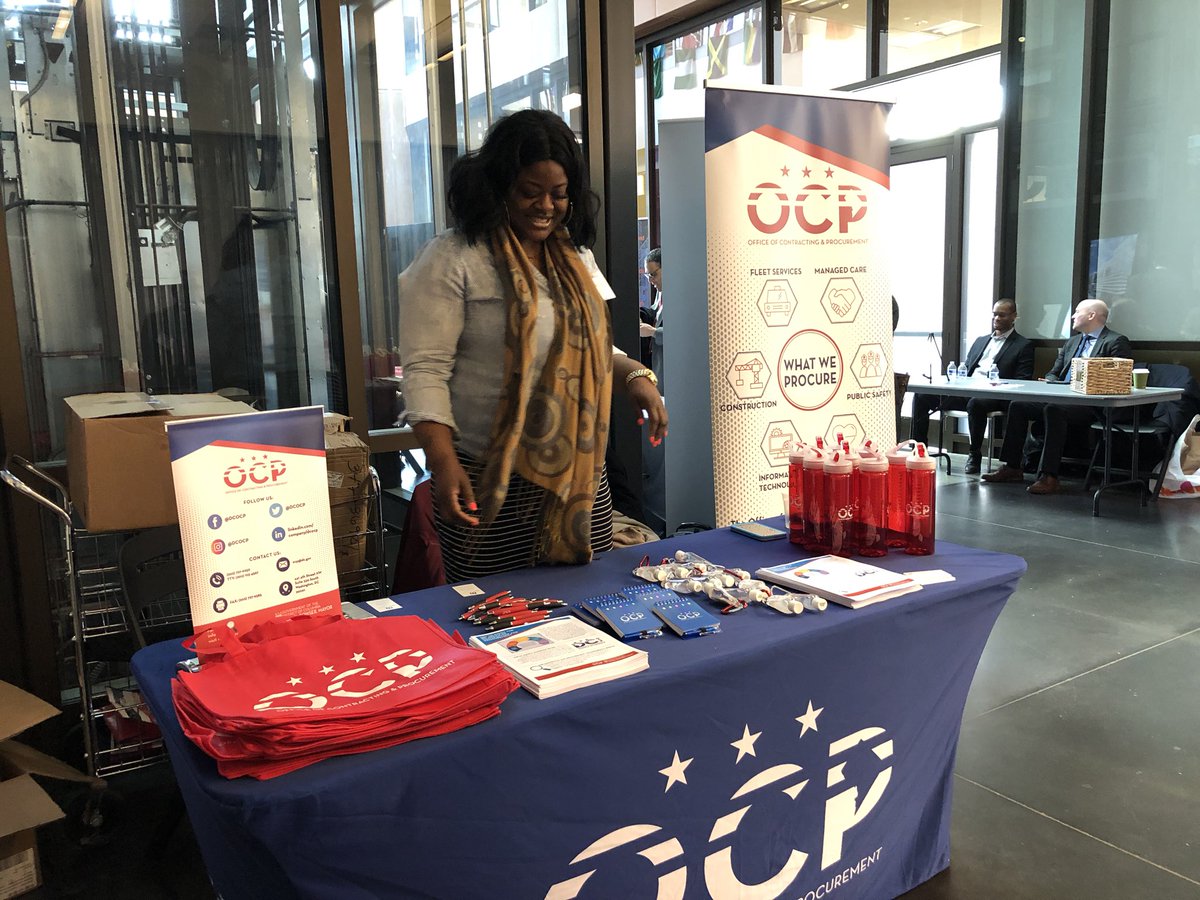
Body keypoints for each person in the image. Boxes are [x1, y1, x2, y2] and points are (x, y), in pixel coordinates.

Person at [397, 110, 668, 581]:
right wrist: (442, 463)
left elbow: (595, 349)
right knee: (495, 612)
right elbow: (425, 372)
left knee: (586, 601)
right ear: (498, 186)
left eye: (559, 194)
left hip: (578, 481)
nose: (546, 206)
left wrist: (637, 378)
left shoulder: (575, 257)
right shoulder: (453, 258)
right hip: (485, 479)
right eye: (530, 191)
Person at [982, 298, 1132, 494]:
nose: (1073, 316)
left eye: (1077, 312)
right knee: (1018, 405)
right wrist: (1052, 381)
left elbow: (1118, 377)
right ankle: (1012, 467)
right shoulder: (1072, 342)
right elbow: (1054, 372)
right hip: (1061, 397)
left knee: (1053, 409)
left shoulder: (1115, 341)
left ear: (1091, 315)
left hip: (1090, 404)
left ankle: (1049, 476)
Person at [910, 299, 1035, 474]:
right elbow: (967, 369)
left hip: (994, 396)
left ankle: (974, 455)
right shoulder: (981, 341)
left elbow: (1023, 380)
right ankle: (919, 449)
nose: (997, 318)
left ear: (1014, 316)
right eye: (994, 314)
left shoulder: (1023, 345)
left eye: (1002, 315)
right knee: (922, 396)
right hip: (967, 390)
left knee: (976, 403)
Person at [639, 247, 664, 383]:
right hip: (657, 364)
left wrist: (653, 332)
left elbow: (682, 335)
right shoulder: (660, 292)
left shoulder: (681, 297)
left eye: (653, 275)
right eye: (648, 276)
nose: (650, 281)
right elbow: (656, 313)